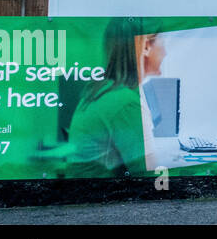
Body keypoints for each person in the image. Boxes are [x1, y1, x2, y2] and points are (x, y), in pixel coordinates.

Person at [66, 19, 155, 177]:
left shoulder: (101, 92)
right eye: (156, 43)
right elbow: (150, 175)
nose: (165, 51)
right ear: (143, 49)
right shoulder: (123, 102)